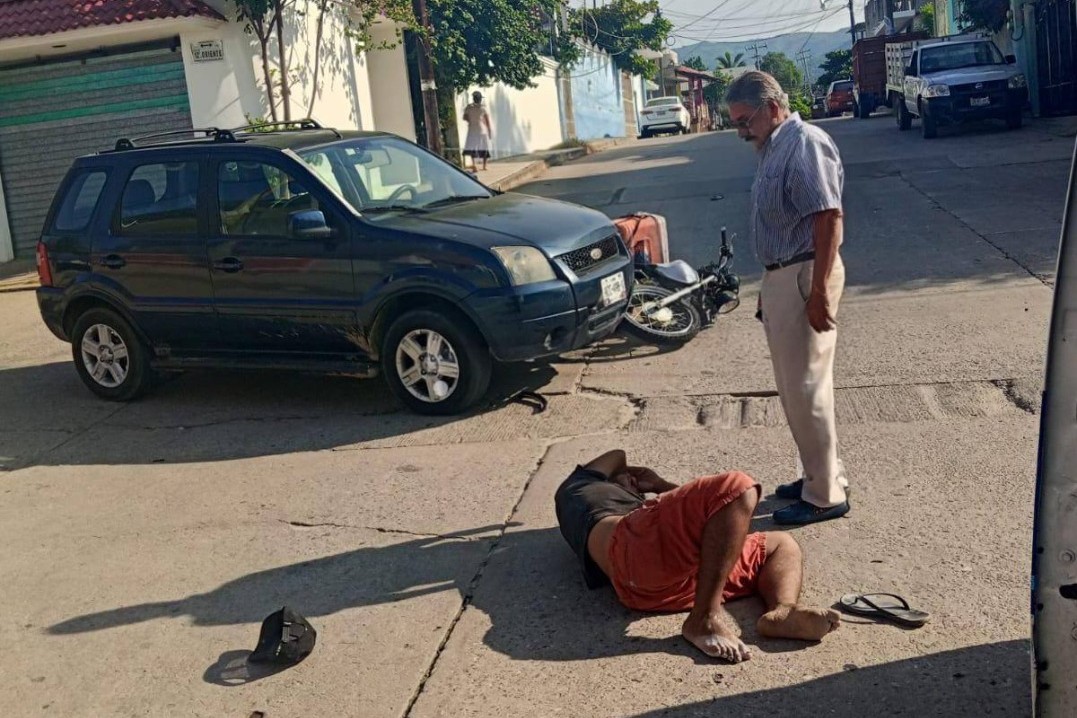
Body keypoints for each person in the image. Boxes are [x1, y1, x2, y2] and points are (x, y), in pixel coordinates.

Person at [555, 450, 841, 663]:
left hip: (665, 585)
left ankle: (782, 610)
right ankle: (703, 618)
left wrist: (657, 485)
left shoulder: (608, 504)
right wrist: (635, 477)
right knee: (736, 487)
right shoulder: (579, 484)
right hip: (631, 551)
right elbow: (616, 455)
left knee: (779, 544)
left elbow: (708, 522)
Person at [725, 70, 850, 526]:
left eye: (745, 121)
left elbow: (828, 218)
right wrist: (770, 288)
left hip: (805, 273)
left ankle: (826, 495)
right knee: (796, 389)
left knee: (807, 388)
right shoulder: (773, 146)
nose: (742, 132)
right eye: (736, 123)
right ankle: (821, 474)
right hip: (784, 275)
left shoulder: (805, 143)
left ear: (773, 108)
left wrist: (817, 293)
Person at [462, 91, 493, 171]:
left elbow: (464, 117)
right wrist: (489, 131)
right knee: (484, 148)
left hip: (472, 130)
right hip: (482, 130)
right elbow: (487, 121)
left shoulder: (469, 107)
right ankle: (484, 166)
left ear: (473, 99)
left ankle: (474, 165)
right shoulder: (483, 108)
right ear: (480, 99)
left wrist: (471, 121)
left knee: (472, 148)